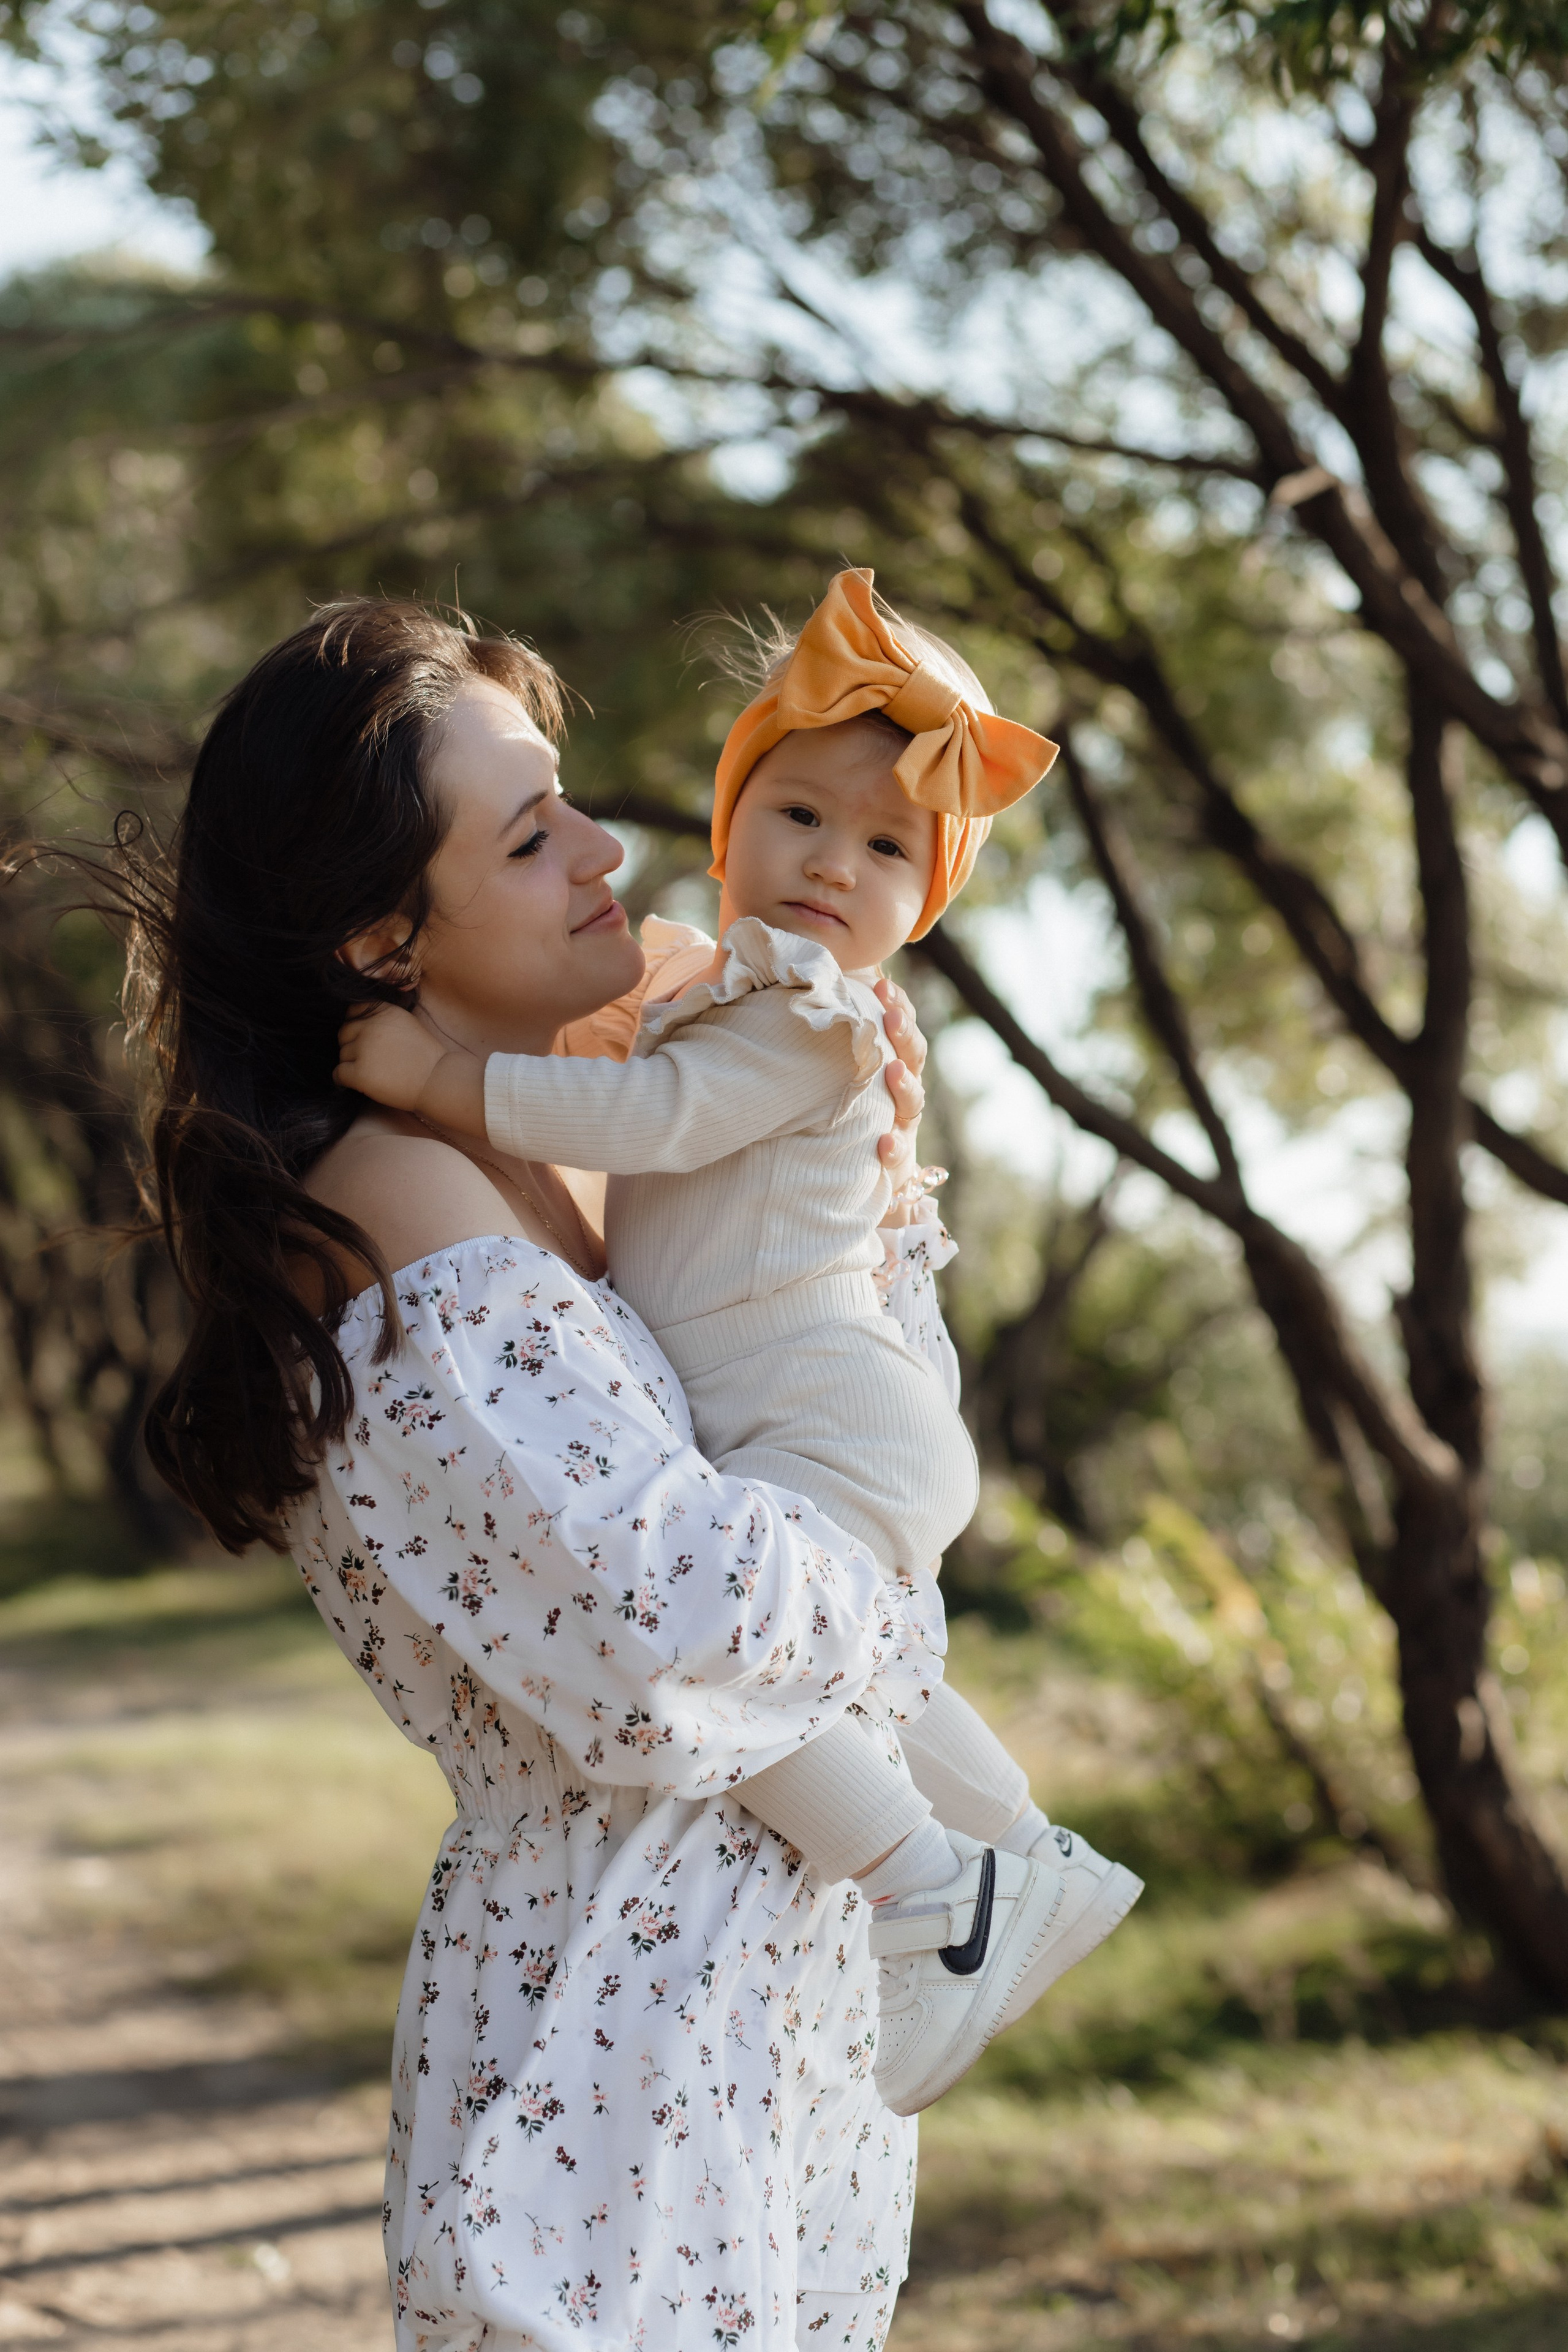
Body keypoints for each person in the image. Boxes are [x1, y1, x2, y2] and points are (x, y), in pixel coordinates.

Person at [120, 594, 976, 2352]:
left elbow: (857, 1446)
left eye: (570, 796)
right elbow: (675, 1627)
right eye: (529, 837)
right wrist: (875, 1585)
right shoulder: (388, 1205)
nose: (606, 852)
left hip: (765, 2020)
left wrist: (855, 1171)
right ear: (378, 940)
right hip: (611, 2040)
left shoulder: (589, 1160)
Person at [334, 568, 1141, 2118]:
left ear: (926, 903)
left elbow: (651, 1114)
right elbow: (607, 1052)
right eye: (798, 818)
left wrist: (442, 1079)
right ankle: (1024, 1853)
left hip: (819, 1405)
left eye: (888, 845)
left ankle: (933, 1891)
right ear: (731, 825)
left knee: (748, 1673)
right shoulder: (719, 991)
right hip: (826, 1403)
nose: (834, 864)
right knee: (857, 1685)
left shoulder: (802, 1019)